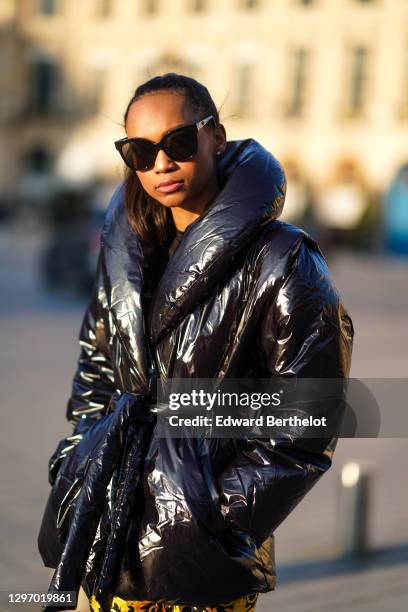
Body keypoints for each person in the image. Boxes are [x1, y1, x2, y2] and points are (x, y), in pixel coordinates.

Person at [38, 73, 354, 612]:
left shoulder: (282, 258)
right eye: (139, 150)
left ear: (217, 137)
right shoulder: (124, 253)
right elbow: (95, 365)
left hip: (197, 557)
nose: (160, 163)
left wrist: (212, 518)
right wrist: (78, 455)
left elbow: (309, 412)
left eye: (178, 142)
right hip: (106, 536)